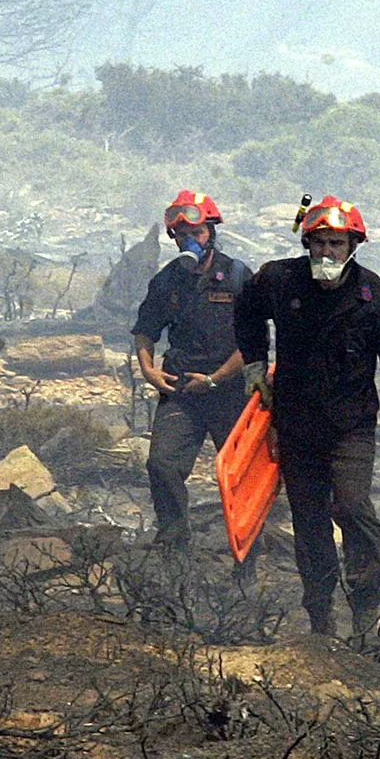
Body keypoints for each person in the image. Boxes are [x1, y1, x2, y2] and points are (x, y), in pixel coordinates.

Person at [234, 195, 380, 636]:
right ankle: (320, 615)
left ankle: (365, 606)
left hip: (350, 427)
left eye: (336, 244)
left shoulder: (374, 298)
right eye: (320, 243)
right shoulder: (280, 280)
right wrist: (254, 362)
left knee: (353, 506)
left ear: (353, 246)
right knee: (309, 521)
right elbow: (246, 310)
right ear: (307, 243)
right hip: (295, 424)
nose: (327, 253)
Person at [131, 190, 257, 580]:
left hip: (230, 392)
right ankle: (174, 548)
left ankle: (246, 565)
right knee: (162, 464)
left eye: (197, 233)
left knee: (240, 478)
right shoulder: (167, 280)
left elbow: (252, 343)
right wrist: (149, 370)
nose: (191, 241)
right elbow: (145, 330)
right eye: (182, 234)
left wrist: (217, 379)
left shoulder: (237, 276)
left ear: (211, 232)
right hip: (182, 390)